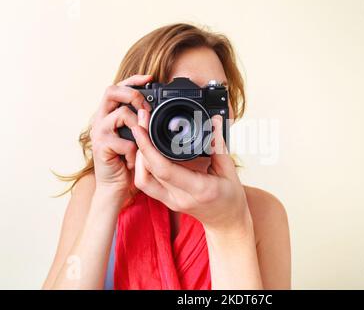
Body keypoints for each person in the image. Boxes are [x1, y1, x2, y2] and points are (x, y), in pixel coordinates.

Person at [43, 23, 291, 290]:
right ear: (131, 106)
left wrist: (230, 226)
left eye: (214, 94)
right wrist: (109, 193)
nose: (197, 115)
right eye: (178, 100)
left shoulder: (262, 212)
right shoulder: (94, 193)